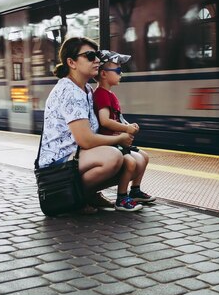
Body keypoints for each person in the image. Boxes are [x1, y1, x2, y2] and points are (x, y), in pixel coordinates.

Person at [38, 37, 142, 213]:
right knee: (113, 158)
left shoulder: (84, 89)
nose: (97, 60)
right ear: (71, 62)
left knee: (135, 161)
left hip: (77, 156)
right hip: (59, 164)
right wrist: (122, 138)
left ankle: (89, 193)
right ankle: (76, 199)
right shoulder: (69, 91)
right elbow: (85, 140)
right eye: (90, 56)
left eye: (98, 56)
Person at [93, 50, 157, 208]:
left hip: (117, 141)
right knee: (130, 163)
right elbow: (105, 121)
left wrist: (128, 125)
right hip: (109, 143)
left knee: (145, 157)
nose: (121, 73)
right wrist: (126, 128)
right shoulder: (101, 95)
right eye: (118, 70)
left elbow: (117, 118)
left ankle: (135, 190)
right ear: (103, 74)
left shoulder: (110, 95)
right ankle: (121, 198)